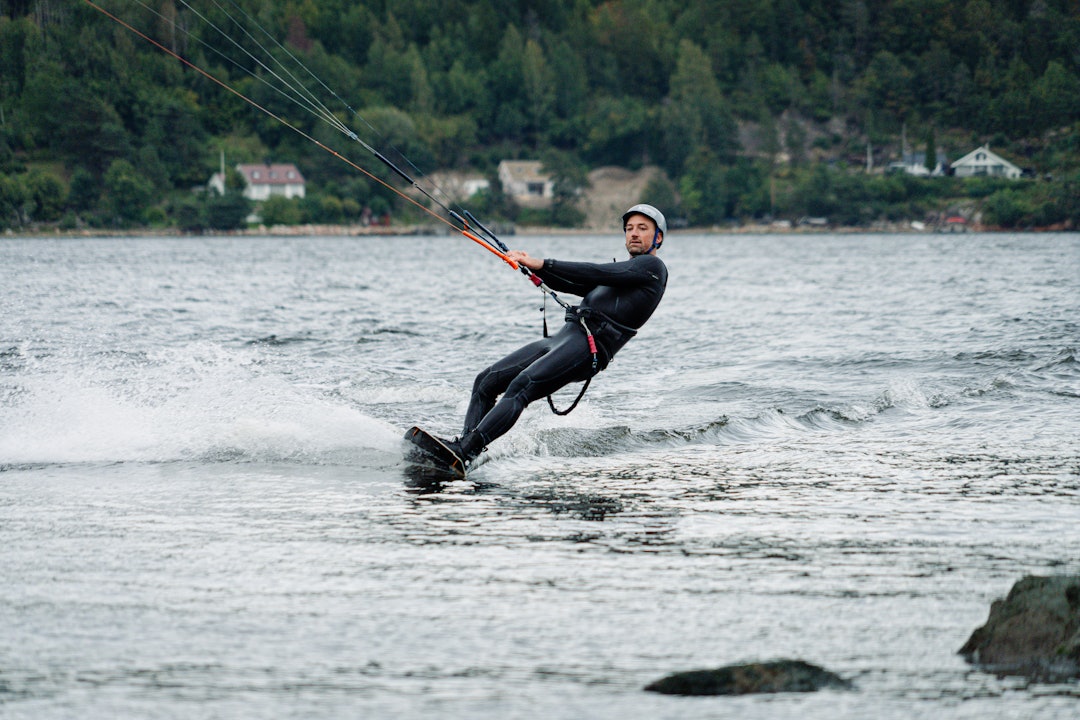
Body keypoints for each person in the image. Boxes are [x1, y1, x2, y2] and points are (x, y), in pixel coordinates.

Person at [440, 204, 669, 466]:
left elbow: (595, 271)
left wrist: (542, 263)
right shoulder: (623, 275)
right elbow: (576, 283)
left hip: (587, 348)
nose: (634, 234)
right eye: (629, 229)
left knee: (521, 387)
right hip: (564, 338)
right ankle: (464, 449)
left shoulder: (652, 268)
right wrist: (535, 270)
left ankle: (466, 450)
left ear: (658, 237)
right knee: (486, 381)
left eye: (643, 228)